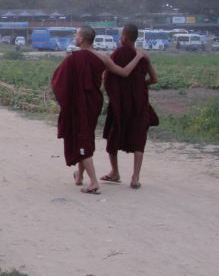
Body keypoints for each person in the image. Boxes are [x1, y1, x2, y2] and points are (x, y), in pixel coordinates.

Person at [51, 26, 147, 195]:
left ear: (81, 39)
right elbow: (124, 72)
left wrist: (63, 97)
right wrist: (138, 56)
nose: (75, 37)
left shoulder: (73, 58)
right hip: (94, 102)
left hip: (80, 103)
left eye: (76, 35)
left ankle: (94, 182)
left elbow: (57, 81)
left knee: (82, 137)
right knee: (85, 134)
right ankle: (79, 175)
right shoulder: (102, 58)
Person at [101, 24, 159, 190]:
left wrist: (113, 94)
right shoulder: (142, 56)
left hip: (120, 103)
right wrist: (141, 85)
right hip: (139, 103)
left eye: (121, 35)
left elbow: (108, 78)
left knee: (113, 135)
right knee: (139, 138)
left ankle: (115, 172)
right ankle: (135, 177)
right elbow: (154, 79)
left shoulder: (118, 53)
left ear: (124, 37)